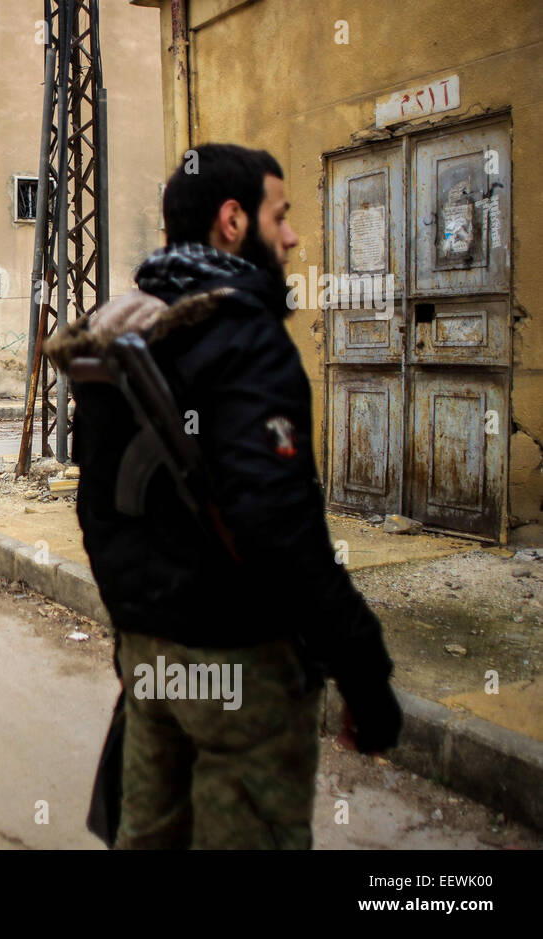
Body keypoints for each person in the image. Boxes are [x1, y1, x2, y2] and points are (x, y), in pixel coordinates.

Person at [68, 143, 401, 849]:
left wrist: (141, 628)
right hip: (240, 670)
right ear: (232, 219)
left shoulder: (121, 334)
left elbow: (97, 509)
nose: (292, 235)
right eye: (279, 214)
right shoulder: (247, 338)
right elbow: (278, 526)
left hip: (152, 669)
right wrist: (364, 672)